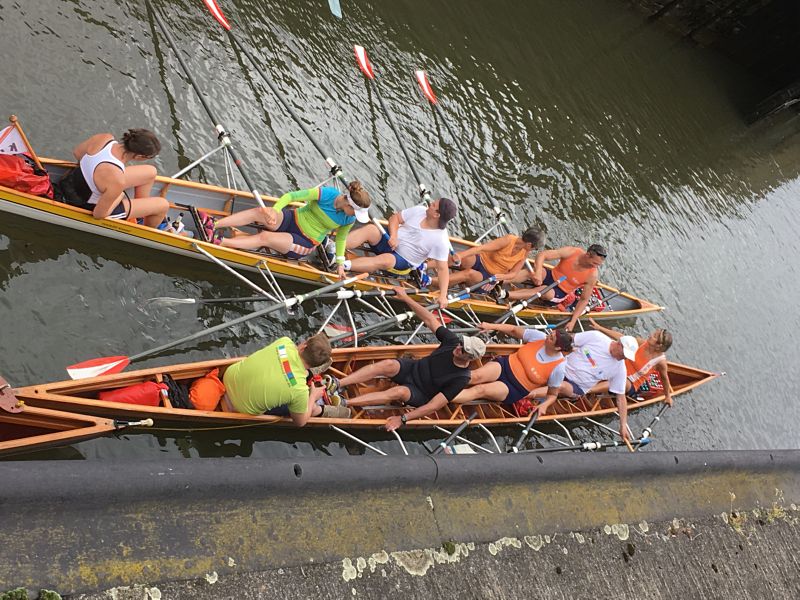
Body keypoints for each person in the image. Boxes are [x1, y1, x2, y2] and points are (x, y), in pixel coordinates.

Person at [334, 286, 486, 431]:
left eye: (463, 350)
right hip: (413, 368)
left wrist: (403, 419)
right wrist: (406, 297)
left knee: (398, 392)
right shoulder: (452, 342)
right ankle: (338, 383)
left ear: (470, 358)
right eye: (461, 344)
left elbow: (434, 405)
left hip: (421, 392)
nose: (458, 348)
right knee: (388, 364)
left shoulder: (461, 378)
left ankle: (344, 402)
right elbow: (429, 320)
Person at [212, 181, 372, 279]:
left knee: (266, 237)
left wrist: (340, 264)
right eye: (356, 212)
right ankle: (214, 224)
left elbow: (341, 239)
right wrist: (274, 211)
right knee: (259, 212)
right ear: (348, 205)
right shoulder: (327, 194)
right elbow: (291, 197)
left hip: (305, 241)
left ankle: (221, 242)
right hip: (292, 219)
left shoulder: (348, 219)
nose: (356, 217)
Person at [341, 198, 457, 308]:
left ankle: (343, 265)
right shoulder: (419, 210)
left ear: (436, 215)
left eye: (433, 205)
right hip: (389, 240)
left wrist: (442, 296)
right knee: (371, 229)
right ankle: (335, 247)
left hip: (402, 261)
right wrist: (394, 236)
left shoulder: (441, 240)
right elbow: (395, 218)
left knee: (386, 259)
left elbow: (442, 269)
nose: (430, 203)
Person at [530, 329, 638, 441]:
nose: (624, 358)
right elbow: (569, 340)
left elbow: (621, 398)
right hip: (560, 368)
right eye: (624, 354)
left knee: (560, 386)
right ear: (618, 344)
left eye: (627, 357)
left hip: (576, 387)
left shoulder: (620, 369)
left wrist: (623, 425)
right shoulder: (596, 337)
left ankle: (526, 395)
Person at [221, 332, 348, 426]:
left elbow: (288, 358)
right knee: (305, 407)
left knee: (290, 386)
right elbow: (300, 422)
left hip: (228, 377)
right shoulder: (299, 390)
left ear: (304, 346)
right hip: (240, 408)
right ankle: (327, 407)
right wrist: (313, 397)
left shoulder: (284, 342)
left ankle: (307, 372)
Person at [450, 322, 573, 417]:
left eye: (551, 339)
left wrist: (544, 406)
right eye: (549, 334)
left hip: (514, 388)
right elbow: (513, 330)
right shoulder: (539, 337)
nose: (547, 337)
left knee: (480, 389)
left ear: (557, 348)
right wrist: (490, 326)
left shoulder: (558, 367)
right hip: (504, 366)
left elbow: (552, 395)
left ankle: (442, 397)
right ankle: (440, 382)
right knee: (474, 376)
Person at [59, 129, 169, 227]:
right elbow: (98, 215)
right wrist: (118, 196)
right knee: (163, 205)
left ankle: (140, 214)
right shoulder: (117, 180)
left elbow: (77, 153)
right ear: (139, 156)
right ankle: (146, 230)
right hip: (84, 204)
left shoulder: (105, 138)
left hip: (69, 181)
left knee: (150, 172)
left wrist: (90, 172)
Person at [505, 244, 608, 331]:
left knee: (545, 290)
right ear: (588, 255)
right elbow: (542, 254)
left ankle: (505, 294)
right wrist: (538, 272)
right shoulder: (572, 252)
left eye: (598, 265)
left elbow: (584, 300)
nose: (595, 267)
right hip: (552, 276)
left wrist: (573, 321)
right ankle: (501, 280)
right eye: (594, 263)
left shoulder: (592, 275)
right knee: (531, 272)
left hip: (559, 292)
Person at [586, 319, 674, 405]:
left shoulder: (660, 362)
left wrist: (667, 396)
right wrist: (600, 328)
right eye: (654, 333)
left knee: (620, 381)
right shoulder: (643, 343)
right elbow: (622, 338)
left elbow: (664, 378)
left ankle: (587, 390)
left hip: (630, 382)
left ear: (659, 346)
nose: (651, 335)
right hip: (619, 369)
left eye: (654, 336)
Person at [439, 228, 545, 288]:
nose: (533, 250)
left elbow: (514, 273)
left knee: (469, 273)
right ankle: (437, 267)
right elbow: (482, 248)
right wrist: (460, 255)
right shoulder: (508, 240)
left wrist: (502, 277)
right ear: (529, 244)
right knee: (466, 257)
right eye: (535, 248)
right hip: (480, 260)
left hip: (489, 276)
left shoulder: (524, 253)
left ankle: (432, 281)